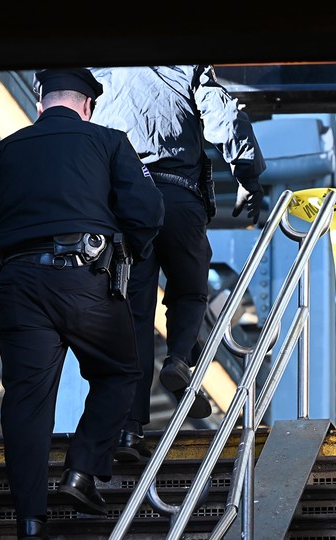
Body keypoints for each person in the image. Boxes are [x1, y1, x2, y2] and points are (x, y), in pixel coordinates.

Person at [0, 68, 165, 539]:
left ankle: (29, 519)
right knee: (120, 371)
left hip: (18, 286)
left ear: (40, 102)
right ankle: (81, 472)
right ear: (88, 105)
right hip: (85, 277)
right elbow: (147, 212)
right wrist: (130, 251)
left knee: (26, 399)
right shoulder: (109, 142)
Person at [88, 65, 266, 461]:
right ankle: (180, 356)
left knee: (133, 314)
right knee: (189, 288)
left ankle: (129, 431)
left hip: (126, 205)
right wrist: (248, 176)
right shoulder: (186, 67)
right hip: (179, 196)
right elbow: (226, 117)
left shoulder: (100, 71)